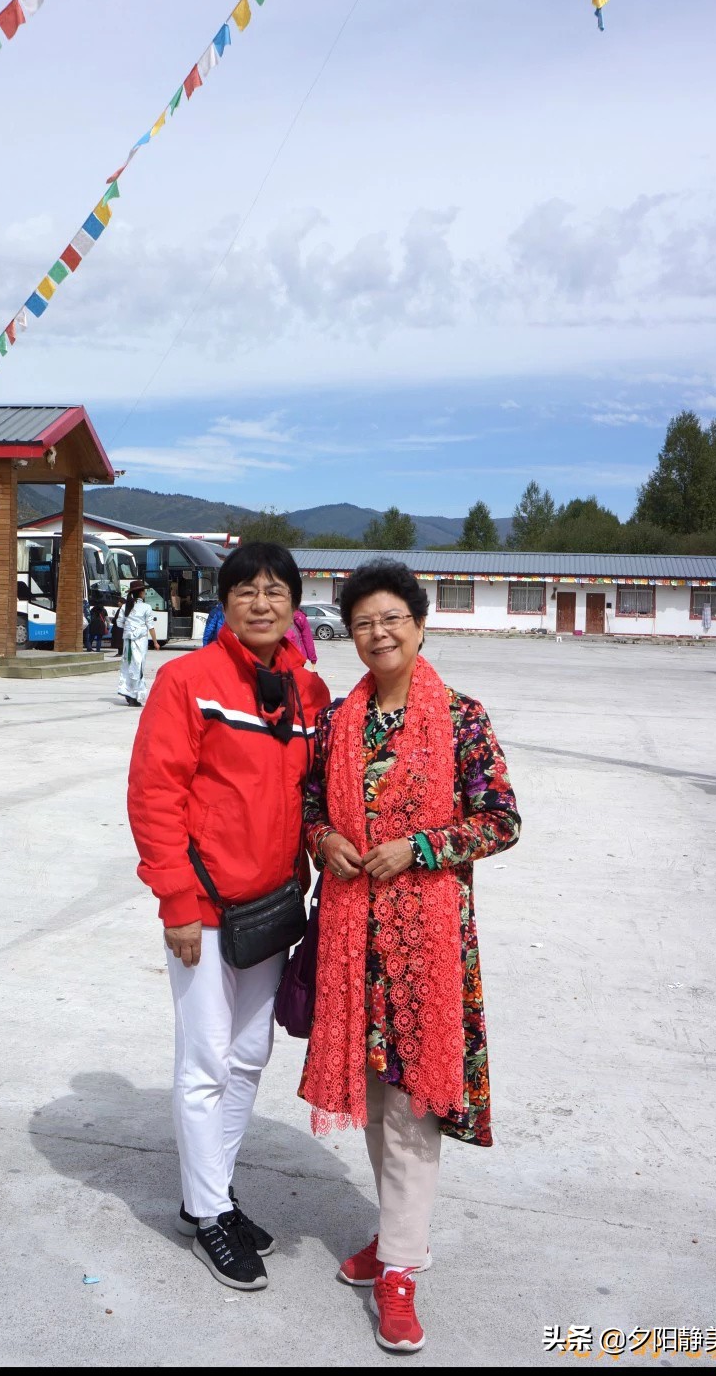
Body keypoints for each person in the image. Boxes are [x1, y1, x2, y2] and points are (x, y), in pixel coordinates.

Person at [300, 559, 520, 1355]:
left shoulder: (461, 717)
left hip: (426, 945)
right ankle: (397, 1234)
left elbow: (501, 819)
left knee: (413, 1107)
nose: (377, 632)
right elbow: (312, 803)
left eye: (391, 617)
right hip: (355, 940)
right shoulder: (339, 723)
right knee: (371, 1090)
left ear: (421, 624)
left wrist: (422, 846)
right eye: (362, 622)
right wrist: (324, 838)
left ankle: (399, 1268)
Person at [127, 543, 330, 1292]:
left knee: (249, 1058)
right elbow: (154, 795)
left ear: (294, 605)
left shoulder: (310, 691)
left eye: (276, 591)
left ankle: (208, 1193)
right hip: (206, 912)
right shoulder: (188, 681)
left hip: (272, 910)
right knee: (206, 1059)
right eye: (246, 590)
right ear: (225, 602)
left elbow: (318, 800)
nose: (262, 603)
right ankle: (211, 1212)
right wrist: (177, 903)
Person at [116, 580, 160, 706]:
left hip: (128, 641)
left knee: (128, 664)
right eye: (144, 591)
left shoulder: (125, 606)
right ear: (140, 593)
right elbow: (150, 626)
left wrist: (130, 627)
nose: (145, 593)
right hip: (140, 641)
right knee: (138, 666)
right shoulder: (146, 607)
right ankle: (134, 695)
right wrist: (156, 642)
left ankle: (126, 690)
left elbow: (119, 623)